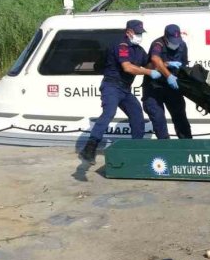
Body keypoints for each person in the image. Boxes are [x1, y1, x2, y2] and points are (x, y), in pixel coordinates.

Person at [79, 20, 162, 163]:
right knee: (109, 113)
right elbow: (128, 68)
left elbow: (147, 63)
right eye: (137, 33)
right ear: (128, 32)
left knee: (137, 115)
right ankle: (90, 147)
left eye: (141, 33)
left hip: (125, 89)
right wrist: (149, 72)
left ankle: (137, 147)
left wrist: (163, 64)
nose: (139, 35)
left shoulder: (138, 50)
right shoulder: (122, 45)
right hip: (112, 86)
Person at [142, 24, 192, 139]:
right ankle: (166, 148)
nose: (175, 43)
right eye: (172, 40)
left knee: (180, 118)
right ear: (165, 37)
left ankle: (188, 146)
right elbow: (155, 59)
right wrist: (168, 75)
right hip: (154, 88)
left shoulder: (182, 45)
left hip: (172, 88)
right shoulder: (158, 44)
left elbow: (184, 65)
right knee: (159, 119)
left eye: (177, 40)